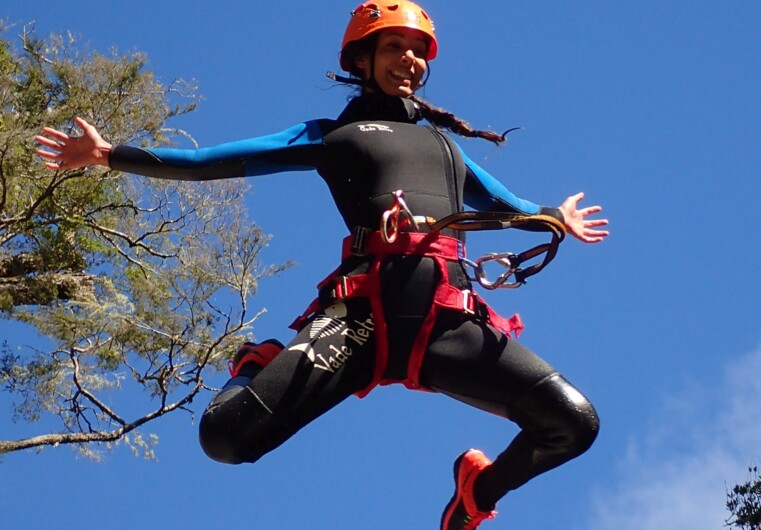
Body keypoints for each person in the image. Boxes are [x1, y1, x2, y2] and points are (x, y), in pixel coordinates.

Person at [35, 2, 609, 528]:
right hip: (360, 317)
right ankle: (258, 365)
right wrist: (113, 155)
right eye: (393, 47)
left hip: (447, 322)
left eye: (417, 51)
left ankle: (475, 495)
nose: (408, 60)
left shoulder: (445, 148)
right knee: (226, 438)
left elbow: (508, 205)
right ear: (362, 58)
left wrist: (555, 217)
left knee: (572, 423)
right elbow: (212, 162)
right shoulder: (333, 135)